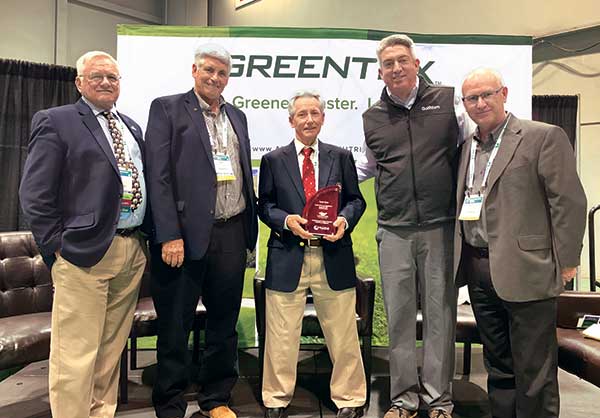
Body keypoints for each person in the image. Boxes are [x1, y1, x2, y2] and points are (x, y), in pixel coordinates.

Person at [19, 50, 148, 418]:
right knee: (75, 351)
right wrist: (56, 246)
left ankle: (100, 412)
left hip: (131, 247)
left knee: (110, 350)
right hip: (82, 253)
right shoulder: (57, 121)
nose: (106, 83)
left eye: (113, 77)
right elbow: (34, 193)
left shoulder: (131, 127)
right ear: (79, 83)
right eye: (97, 77)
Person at [454, 68, 587, 418]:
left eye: (487, 94)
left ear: (504, 93)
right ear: (464, 103)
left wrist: (568, 259)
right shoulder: (467, 146)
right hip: (480, 268)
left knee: (534, 369)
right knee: (498, 365)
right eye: (472, 98)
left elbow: (568, 202)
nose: (480, 103)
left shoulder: (542, 136)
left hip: (528, 267)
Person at [357, 34, 473, 418]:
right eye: (388, 63)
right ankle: (403, 400)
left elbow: (473, 148)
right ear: (380, 72)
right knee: (400, 317)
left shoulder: (448, 101)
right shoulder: (372, 118)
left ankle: (440, 400)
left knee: (440, 316)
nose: (396, 68)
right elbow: (369, 167)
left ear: (416, 62)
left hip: (440, 227)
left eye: (402, 60)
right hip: (393, 230)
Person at [145, 43, 258, 418]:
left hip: (231, 231)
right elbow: (157, 176)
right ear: (194, 70)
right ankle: (171, 402)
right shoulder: (167, 108)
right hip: (183, 236)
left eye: (222, 73)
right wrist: (169, 234)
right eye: (208, 70)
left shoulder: (237, 116)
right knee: (175, 324)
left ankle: (216, 398)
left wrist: (248, 235)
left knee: (223, 324)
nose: (215, 78)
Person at [258, 90, 367, 418]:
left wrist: (344, 221)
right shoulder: (273, 160)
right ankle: (276, 398)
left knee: (343, 332)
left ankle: (349, 398)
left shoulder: (341, 157)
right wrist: (287, 221)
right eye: (302, 114)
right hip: (287, 254)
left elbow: (356, 200)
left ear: (323, 118)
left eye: (314, 113)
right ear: (291, 120)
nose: (308, 119)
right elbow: (265, 205)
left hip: (332, 255)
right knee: (281, 333)